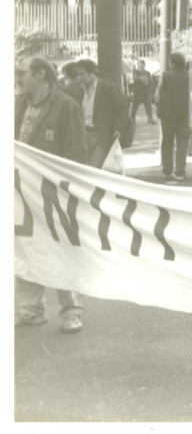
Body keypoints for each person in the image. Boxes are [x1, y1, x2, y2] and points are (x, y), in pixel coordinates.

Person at [15, 56, 88, 332]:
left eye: (22, 73)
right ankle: (32, 308)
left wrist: (70, 191)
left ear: (41, 74)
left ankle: (71, 310)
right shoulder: (19, 105)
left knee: (60, 248)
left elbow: (77, 154)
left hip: (55, 193)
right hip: (23, 190)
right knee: (26, 246)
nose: (18, 78)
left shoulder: (66, 106)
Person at [68, 58, 130, 169]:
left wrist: (118, 129)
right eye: (78, 75)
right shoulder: (80, 91)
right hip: (84, 136)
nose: (79, 78)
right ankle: (97, 187)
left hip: (102, 136)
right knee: (85, 168)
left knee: (93, 168)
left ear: (92, 73)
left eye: (82, 74)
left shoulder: (108, 88)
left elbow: (123, 109)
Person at [155, 52, 192, 182]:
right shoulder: (189, 76)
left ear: (173, 63)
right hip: (183, 113)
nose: (169, 64)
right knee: (182, 142)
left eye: (170, 62)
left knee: (167, 142)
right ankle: (180, 172)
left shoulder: (164, 76)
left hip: (167, 115)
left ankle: (167, 171)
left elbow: (156, 94)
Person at [130, 59, 155, 124]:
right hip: (138, 92)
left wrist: (141, 79)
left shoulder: (147, 73)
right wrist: (143, 79)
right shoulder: (135, 72)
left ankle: (150, 119)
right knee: (135, 106)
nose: (140, 66)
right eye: (139, 65)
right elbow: (135, 79)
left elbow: (149, 81)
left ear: (144, 65)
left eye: (142, 65)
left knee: (148, 106)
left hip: (146, 92)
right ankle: (132, 118)